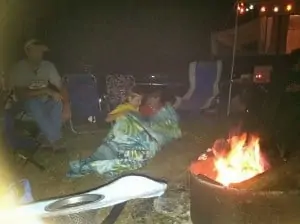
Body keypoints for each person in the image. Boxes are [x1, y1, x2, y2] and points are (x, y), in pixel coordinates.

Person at [68, 88, 181, 178]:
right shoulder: (125, 107)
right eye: (137, 100)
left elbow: (143, 122)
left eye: (141, 100)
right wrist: (126, 113)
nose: (139, 103)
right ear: (129, 99)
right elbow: (108, 118)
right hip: (123, 137)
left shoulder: (137, 109)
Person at [8, 39, 71, 151]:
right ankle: (56, 140)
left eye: (41, 51)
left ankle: (45, 139)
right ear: (27, 52)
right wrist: (45, 90)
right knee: (34, 103)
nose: (39, 53)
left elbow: (61, 86)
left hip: (44, 103)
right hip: (24, 106)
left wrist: (66, 105)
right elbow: (21, 94)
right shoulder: (20, 67)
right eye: (36, 50)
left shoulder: (48, 66)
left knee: (57, 102)